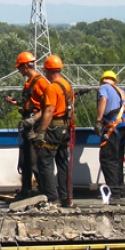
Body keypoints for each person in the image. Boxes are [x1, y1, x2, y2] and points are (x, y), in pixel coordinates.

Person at [4, 51, 49, 199]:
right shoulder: (29, 83)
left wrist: (34, 120)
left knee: (34, 160)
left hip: (35, 126)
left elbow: (48, 106)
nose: (18, 71)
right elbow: (30, 104)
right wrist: (15, 102)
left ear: (25, 66)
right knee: (25, 161)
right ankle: (26, 190)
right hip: (28, 124)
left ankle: (43, 191)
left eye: (19, 68)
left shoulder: (40, 82)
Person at [33, 54, 74, 206]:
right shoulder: (68, 86)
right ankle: (65, 197)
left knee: (45, 162)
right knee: (63, 162)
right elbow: (72, 108)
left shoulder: (52, 88)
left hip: (54, 128)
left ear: (48, 71)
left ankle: (52, 197)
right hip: (65, 127)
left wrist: (42, 131)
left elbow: (49, 110)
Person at [95, 70, 125, 202]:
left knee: (108, 159)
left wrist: (99, 120)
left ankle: (114, 193)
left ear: (103, 80)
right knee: (118, 158)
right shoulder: (122, 92)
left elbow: (103, 100)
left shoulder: (104, 88)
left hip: (113, 127)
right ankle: (120, 190)